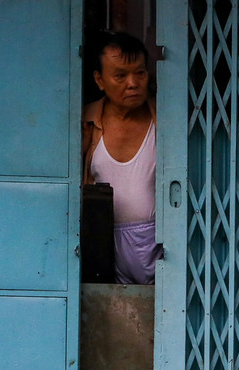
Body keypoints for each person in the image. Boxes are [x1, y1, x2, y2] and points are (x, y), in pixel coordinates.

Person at [82, 32, 161, 284]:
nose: (133, 83)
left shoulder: (166, 120)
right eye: (120, 75)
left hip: (160, 244)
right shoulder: (85, 123)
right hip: (103, 245)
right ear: (99, 79)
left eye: (140, 73)